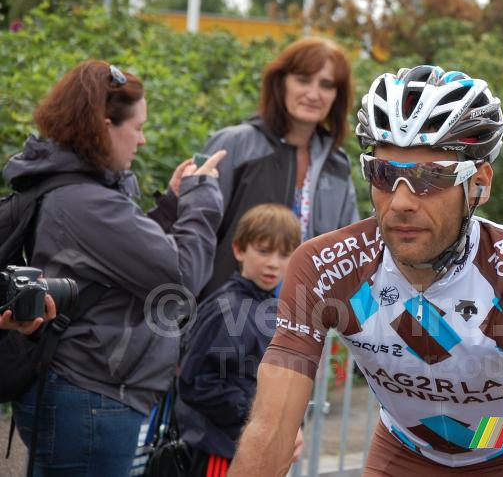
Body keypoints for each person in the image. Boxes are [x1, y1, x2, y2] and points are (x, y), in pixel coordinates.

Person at [228, 66, 503, 477]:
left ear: (479, 185)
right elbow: (271, 428)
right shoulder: (324, 267)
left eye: (429, 177)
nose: (400, 202)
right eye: (383, 175)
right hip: (406, 454)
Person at [3, 60, 226, 475]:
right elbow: (180, 279)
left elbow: (123, 262)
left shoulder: (80, 191)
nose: (141, 140)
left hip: (83, 394)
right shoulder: (86, 202)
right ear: (105, 125)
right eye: (137, 127)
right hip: (89, 400)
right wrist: (202, 200)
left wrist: (174, 203)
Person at [200, 37, 359, 297]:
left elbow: (348, 254)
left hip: (302, 324)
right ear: (281, 82)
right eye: (303, 80)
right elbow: (195, 233)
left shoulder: (337, 165)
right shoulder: (234, 144)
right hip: (228, 322)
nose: (313, 94)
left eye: (327, 85)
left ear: (337, 96)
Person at [174, 204, 304, 476]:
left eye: (284, 254)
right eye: (264, 250)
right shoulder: (227, 308)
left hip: (252, 446)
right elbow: (197, 382)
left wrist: (287, 423)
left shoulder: (272, 307)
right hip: (217, 450)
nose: (273, 263)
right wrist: (266, 419)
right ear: (239, 249)